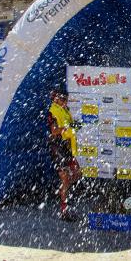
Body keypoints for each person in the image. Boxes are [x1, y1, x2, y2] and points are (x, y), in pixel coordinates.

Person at [47, 89, 82, 221]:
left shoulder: (64, 109)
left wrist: (74, 126)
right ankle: (64, 209)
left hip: (66, 148)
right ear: (56, 99)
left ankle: (65, 194)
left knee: (77, 173)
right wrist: (67, 127)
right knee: (65, 178)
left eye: (66, 99)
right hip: (58, 148)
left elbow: (67, 126)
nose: (65, 102)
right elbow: (54, 130)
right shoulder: (52, 111)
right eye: (63, 99)